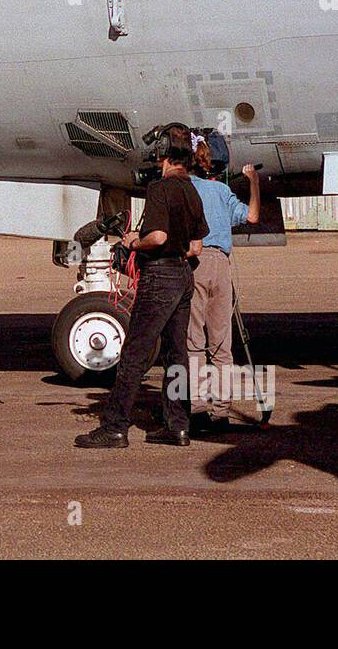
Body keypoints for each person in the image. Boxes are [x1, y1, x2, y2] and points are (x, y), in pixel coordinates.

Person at [76, 126, 208, 449]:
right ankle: (178, 426)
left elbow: (158, 237)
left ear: (163, 153)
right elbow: (195, 247)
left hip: (160, 277)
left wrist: (135, 242)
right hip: (183, 275)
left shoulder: (160, 189)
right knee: (177, 355)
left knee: (134, 354)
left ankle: (115, 427)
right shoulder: (192, 189)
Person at [188, 138, 261, 432]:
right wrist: (253, 182)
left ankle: (196, 409)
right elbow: (253, 216)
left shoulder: (186, 189)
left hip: (194, 262)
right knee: (222, 345)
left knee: (193, 342)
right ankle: (221, 412)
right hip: (221, 264)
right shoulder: (222, 190)